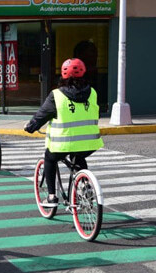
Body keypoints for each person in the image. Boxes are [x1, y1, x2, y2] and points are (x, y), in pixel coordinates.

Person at [23, 58, 104, 206]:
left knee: (50, 158)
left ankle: (52, 196)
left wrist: (30, 127)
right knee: (79, 156)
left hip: (62, 144)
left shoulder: (57, 95)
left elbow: (41, 115)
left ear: (63, 75)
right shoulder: (92, 92)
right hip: (90, 142)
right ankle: (86, 187)